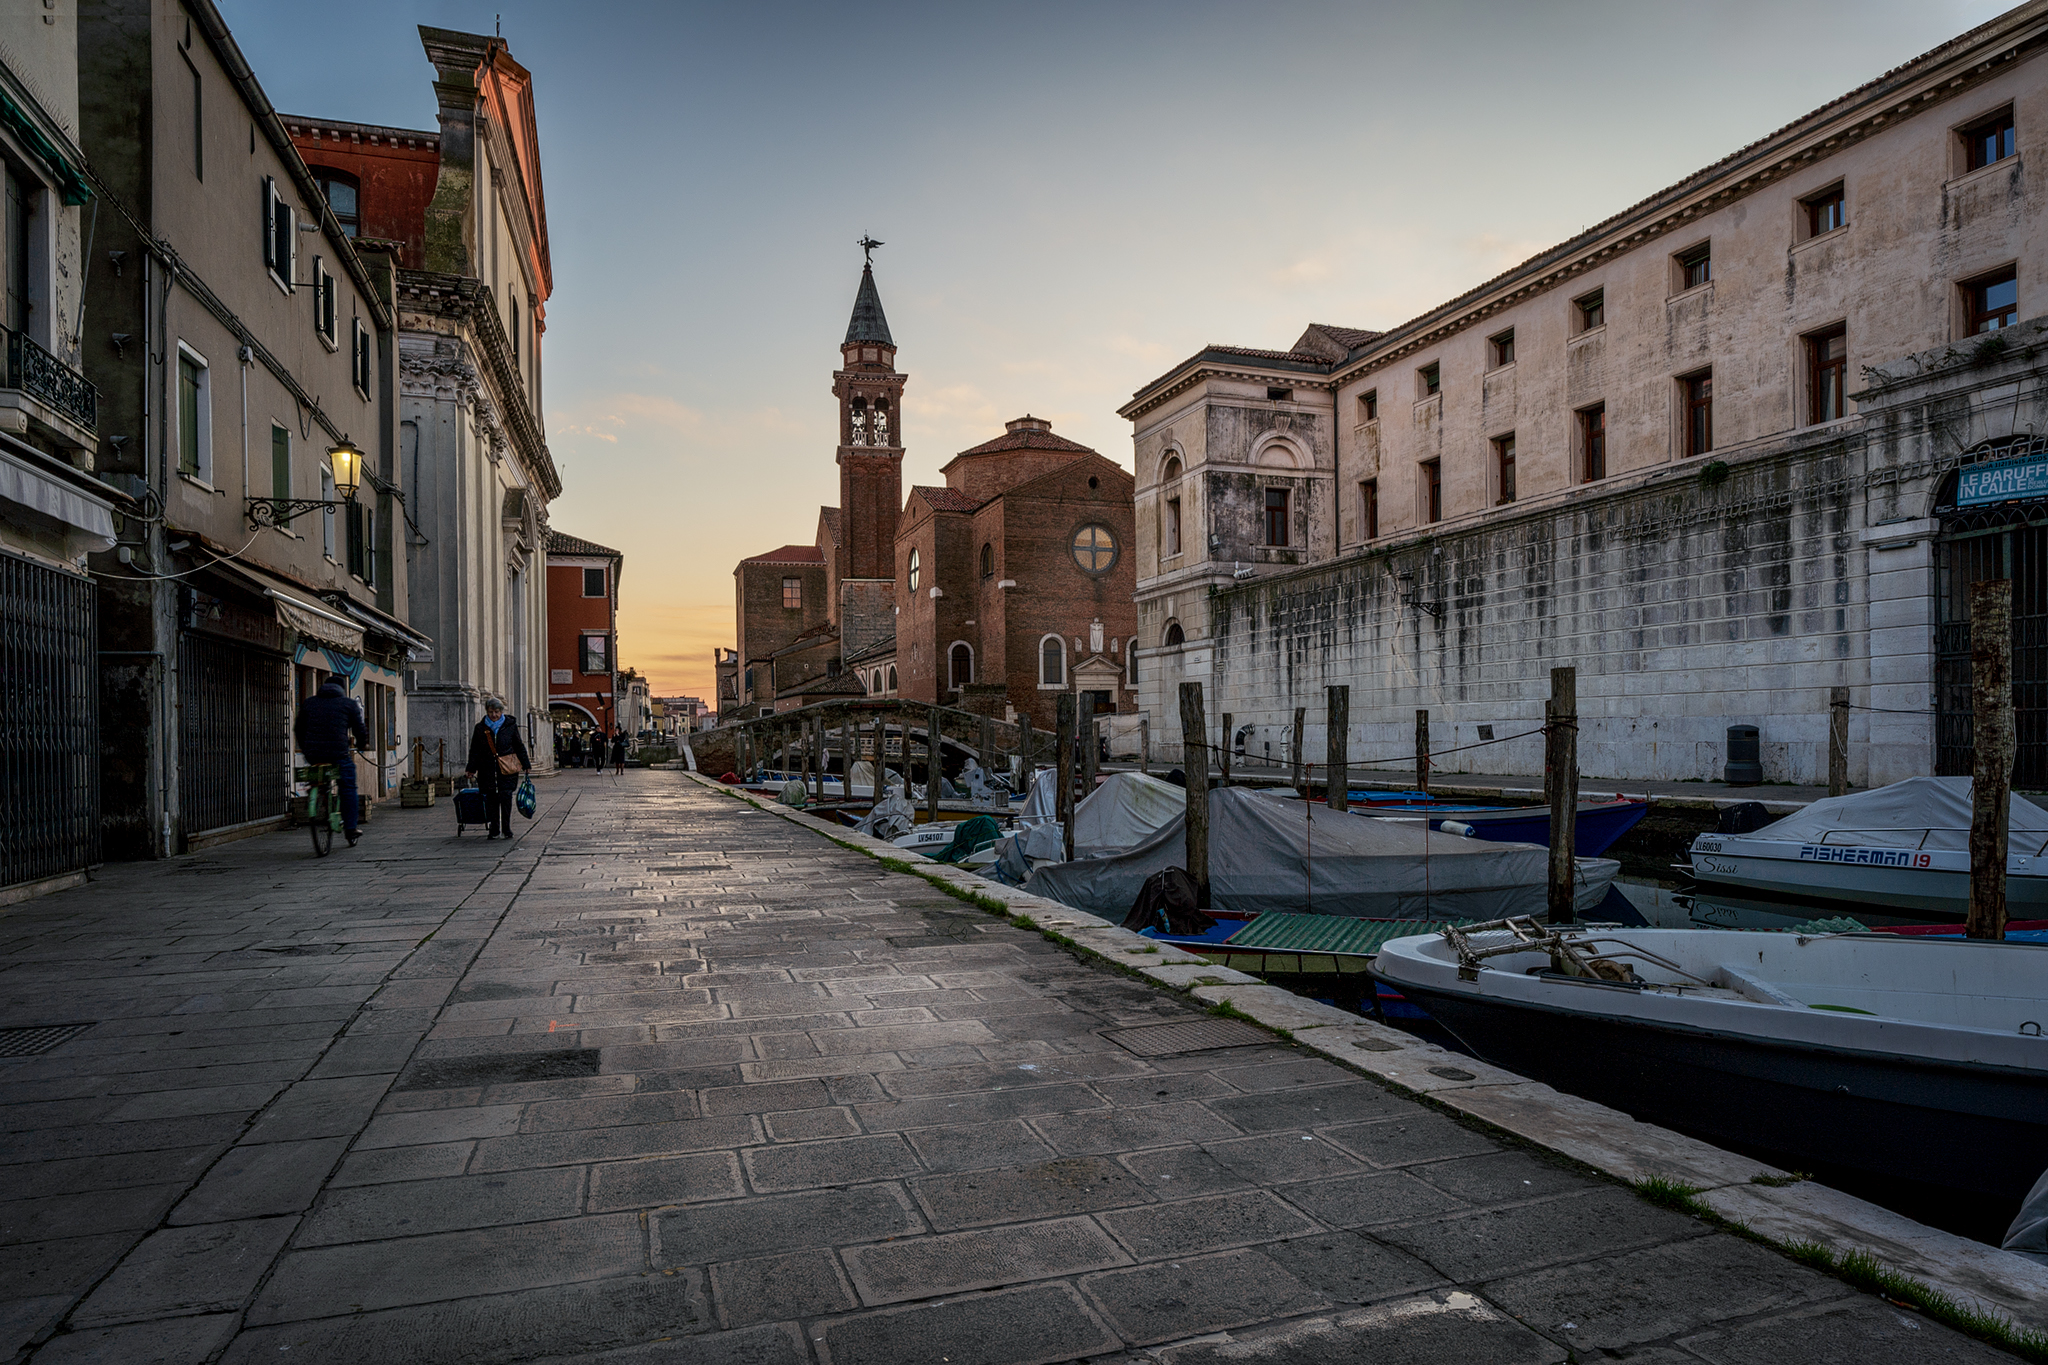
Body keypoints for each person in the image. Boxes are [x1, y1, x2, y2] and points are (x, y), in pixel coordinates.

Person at [294, 679, 369, 846]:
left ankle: (318, 792)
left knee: (318, 776)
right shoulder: (348, 704)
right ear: (341, 689)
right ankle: (350, 828)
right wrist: (362, 744)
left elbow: (298, 728)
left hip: (314, 755)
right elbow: (359, 728)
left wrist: (306, 750)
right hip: (338, 754)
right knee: (348, 786)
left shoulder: (309, 703)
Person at [464, 697, 531, 839]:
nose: (493, 715)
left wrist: (526, 764)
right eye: (491, 712)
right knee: (491, 800)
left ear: (501, 712)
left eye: (496, 712)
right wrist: (471, 768)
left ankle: (506, 828)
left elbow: (519, 746)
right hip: (487, 769)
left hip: (506, 769)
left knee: (506, 798)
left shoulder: (510, 726)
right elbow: (475, 750)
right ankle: (494, 829)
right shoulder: (480, 728)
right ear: (487, 712)